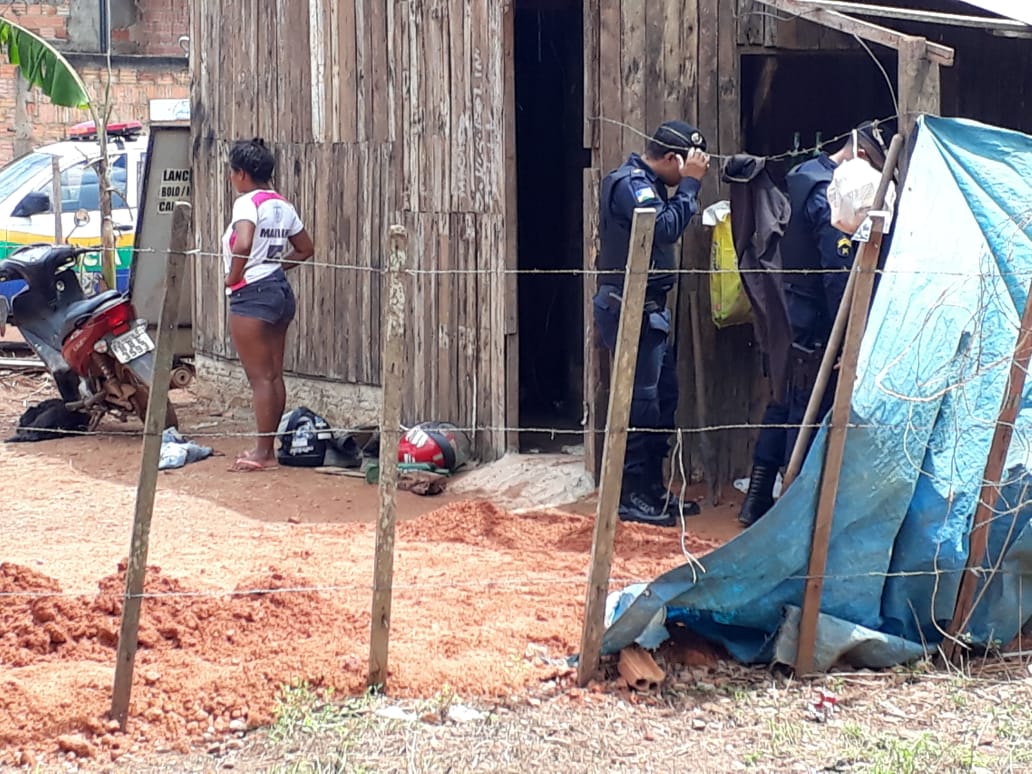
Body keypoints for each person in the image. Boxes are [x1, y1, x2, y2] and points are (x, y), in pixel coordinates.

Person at [738, 121, 889, 527]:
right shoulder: (831, 194)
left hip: (786, 308)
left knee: (782, 400)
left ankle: (755, 500)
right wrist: (848, 341)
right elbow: (836, 273)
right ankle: (792, 514)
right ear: (860, 156)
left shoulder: (803, 174)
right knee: (807, 407)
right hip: (814, 318)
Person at [594, 120, 711, 527]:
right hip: (629, 308)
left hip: (651, 309)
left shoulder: (653, 185)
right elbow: (661, 229)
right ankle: (629, 495)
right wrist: (691, 187)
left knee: (663, 400)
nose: (692, 172)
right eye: (687, 165)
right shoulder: (631, 185)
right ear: (672, 158)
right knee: (640, 403)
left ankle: (651, 489)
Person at [223, 137, 315, 471]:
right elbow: (306, 247)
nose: (232, 179)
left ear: (242, 173)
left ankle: (262, 453)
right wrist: (277, 267)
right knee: (274, 375)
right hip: (279, 289)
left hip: (251, 294)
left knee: (260, 378)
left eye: (232, 173)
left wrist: (233, 277)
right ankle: (268, 448)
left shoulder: (247, 203)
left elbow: (243, 242)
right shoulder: (282, 204)